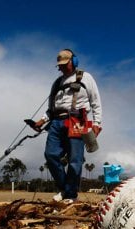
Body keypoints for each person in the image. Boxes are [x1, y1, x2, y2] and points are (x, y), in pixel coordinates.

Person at [34, 49, 102, 202]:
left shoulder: (86, 77)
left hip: (78, 121)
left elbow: (96, 102)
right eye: (60, 65)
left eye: (66, 64)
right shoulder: (57, 83)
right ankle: (65, 189)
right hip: (56, 122)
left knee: (75, 159)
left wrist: (97, 123)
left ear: (74, 61)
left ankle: (70, 194)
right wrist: (42, 121)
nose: (62, 67)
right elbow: (51, 108)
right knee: (50, 155)